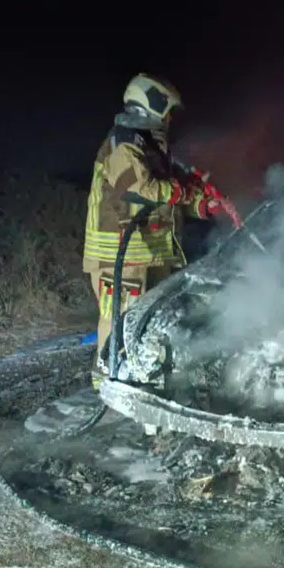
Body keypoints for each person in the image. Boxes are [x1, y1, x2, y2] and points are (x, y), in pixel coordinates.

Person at [82, 73, 222, 386]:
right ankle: (108, 385)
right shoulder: (123, 144)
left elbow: (169, 196)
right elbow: (141, 189)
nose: (171, 119)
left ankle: (140, 380)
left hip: (152, 252)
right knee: (120, 317)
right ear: (152, 108)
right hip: (121, 254)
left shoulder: (150, 148)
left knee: (152, 318)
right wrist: (183, 191)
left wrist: (202, 204)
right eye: (167, 111)